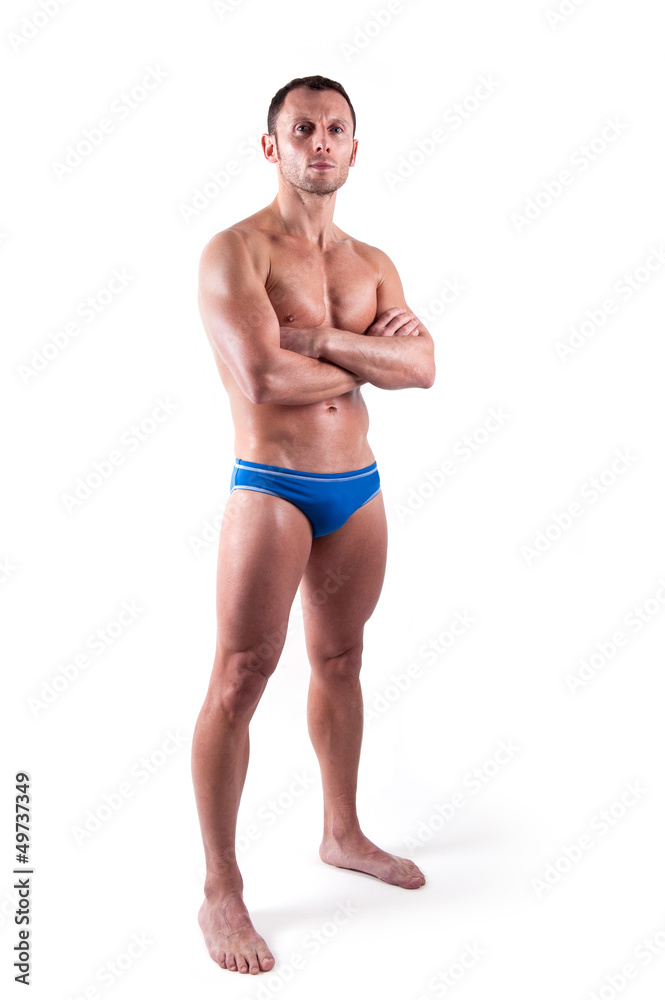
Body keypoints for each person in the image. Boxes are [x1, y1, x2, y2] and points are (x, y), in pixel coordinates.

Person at [192, 74, 435, 977]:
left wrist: (329, 344)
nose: (320, 142)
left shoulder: (372, 264)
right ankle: (221, 885)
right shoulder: (234, 254)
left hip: (357, 490)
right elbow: (262, 382)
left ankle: (342, 833)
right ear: (273, 147)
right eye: (303, 128)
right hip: (272, 485)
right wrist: (383, 360)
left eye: (335, 128)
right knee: (240, 676)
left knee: (341, 661)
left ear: (355, 147)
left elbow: (426, 367)